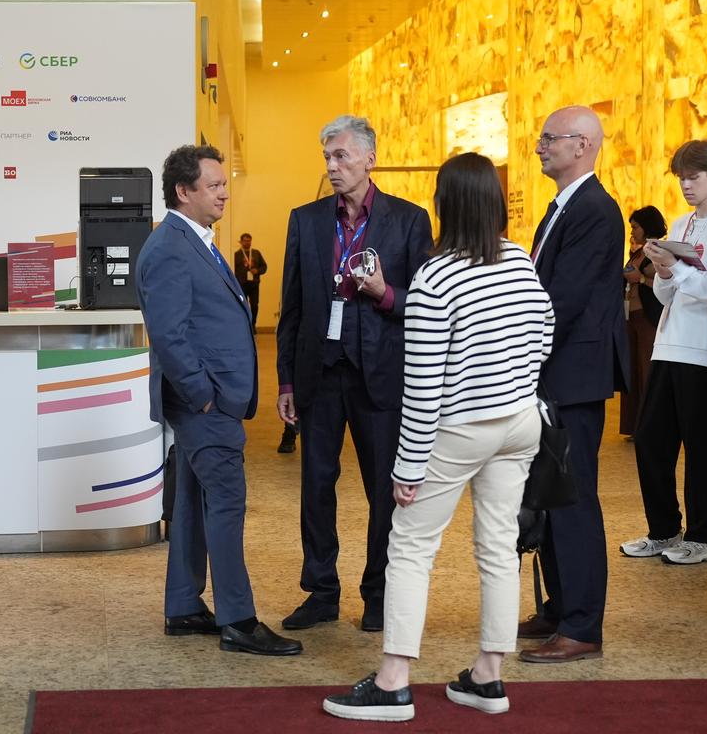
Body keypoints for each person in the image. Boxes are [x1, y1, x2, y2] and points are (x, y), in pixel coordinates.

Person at [323, 153, 553, 722]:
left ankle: (393, 682)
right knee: (499, 547)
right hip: (518, 421)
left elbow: (424, 384)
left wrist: (407, 467)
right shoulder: (518, 260)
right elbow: (544, 333)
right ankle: (488, 676)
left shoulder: (437, 276)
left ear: (443, 203)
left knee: (410, 547)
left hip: (460, 427)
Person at [136, 144, 302, 657]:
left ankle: (184, 605)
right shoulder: (169, 247)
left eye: (224, 184)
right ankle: (239, 620)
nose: (225, 193)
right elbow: (168, 335)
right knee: (227, 503)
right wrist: (203, 396)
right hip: (204, 405)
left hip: (209, 401)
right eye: (214, 185)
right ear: (183, 191)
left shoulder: (195, 240)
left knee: (191, 502)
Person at [276, 115, 433, 633]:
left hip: (381, 374)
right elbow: (292, 307)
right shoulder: (305, 221)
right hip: (319, 373)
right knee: (317, 487)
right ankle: (321, 592)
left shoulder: (408, 221)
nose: (332, 166)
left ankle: (379, 594)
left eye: (341, 156)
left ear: (370, 158)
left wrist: (384, 293)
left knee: (383, 491)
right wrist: (286, 382)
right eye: (327, 157)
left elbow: (424, 305)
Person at [517, 105, 629, 663]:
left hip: (573, 375)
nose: (540, 147)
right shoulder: (562, 206)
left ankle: (582, 625)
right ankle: (560, 606)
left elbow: (562, 299)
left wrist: (516, 348)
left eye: (549, 138)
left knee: (573, 497)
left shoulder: (594, 210)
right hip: (553, 372)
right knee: (549, 491)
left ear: (582, 145)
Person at [621, 140, 707, 565]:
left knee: (703, 447)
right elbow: (667, 295)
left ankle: (704, 538)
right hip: (668, 344)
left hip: (705, 347)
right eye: (681, 178)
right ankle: (664, 530)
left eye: (694, 176)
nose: (686, 185)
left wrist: (679, 269)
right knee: (651, 439)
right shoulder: (682, 224)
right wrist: (665, 270)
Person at [620, 206, 668, 437]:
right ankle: (634, 425)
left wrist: (639, 278)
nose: (633, 231)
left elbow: (665, 283)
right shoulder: (638, 252)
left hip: (648, 319)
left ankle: (650, 425)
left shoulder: (658, 251)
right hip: (632, 318)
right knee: (633, 373)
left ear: (647, 227)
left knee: (647, 372)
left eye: (636, 227)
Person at [233, 233, 268, 334]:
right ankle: (244, 325)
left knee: (254, 305)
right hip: (241, 285)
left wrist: (257, 270)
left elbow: (264, 267)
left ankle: (253, 325)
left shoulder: (256, 253)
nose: (247, 243)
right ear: (241, 242)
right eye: (245, 241)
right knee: (243, 305)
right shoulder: (236, 255)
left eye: (249, 241)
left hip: (254, 284)